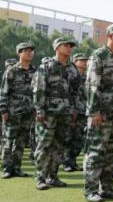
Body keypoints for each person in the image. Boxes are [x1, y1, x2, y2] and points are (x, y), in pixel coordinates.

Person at [84, 24, 113, 202]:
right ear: (110, 36)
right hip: (102, 112)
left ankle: (107, 188)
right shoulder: (99, 56)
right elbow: (92, 85)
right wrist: (94, 111)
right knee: (96, 151)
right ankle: (90, 189)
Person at [32, 37, 81, 191]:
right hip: (48, 112)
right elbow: (38, 89)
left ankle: (52, 176)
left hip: (65, 112)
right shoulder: (46, 66)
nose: (69, 48)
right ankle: (40, 177)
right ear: (57, 48)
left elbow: (76, 91)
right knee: (44, 144)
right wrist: (39, 109)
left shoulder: (72, 68)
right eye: (65, 46)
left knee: (59, 145)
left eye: (70, 46)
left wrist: (74, 109)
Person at [0, 41, 37, 179]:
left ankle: (16, 167)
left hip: (28, 111)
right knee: (8, 141)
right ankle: (6, 168)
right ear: (19, 53)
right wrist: (3, 110)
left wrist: (36, 109)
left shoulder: (35, 71)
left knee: (21, 141)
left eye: (31, 51)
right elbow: (3, 91)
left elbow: (37, 92)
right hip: (13, 111)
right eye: (25, 51)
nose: (29, 53)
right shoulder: (11, 70)